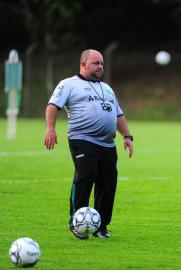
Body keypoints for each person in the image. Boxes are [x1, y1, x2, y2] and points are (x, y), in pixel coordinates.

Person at [44, 49, 133, 239]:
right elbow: (52, 106)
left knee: (108, 184)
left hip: (108, 145)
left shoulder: (107, 88)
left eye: (102, 63)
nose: (100, 66)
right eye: (96, 63)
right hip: (82, 139)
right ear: (83, 64)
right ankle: (76, 222)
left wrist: (127, 136)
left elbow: (118, 114)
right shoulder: (69, 84)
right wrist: (50, 129)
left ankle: (101, 226)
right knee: (85, 177)